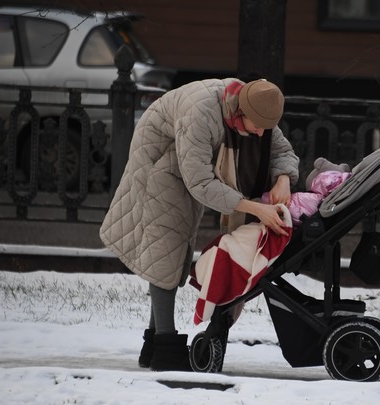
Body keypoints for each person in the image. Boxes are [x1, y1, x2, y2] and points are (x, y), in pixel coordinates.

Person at [99, 78, 300, 371]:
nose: (259, 134)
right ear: (240, 112)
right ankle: (165, 351)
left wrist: (283, 177)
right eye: (255, 126)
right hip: (161, 162)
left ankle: (153, 345)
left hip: (191, 161)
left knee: (174, 249)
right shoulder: (201, 113)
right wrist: (254, 207)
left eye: (264, 128)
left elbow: (282, 151)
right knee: (166, 245)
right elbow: (200, 182)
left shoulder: (258, 106)